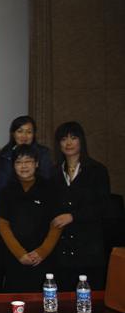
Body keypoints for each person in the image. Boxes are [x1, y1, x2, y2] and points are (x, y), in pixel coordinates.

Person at [0, 144, 67, 292]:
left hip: (43, 258)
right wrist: (20, 253)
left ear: (36, 164)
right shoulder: (6, 191)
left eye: (28, 161)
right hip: (14, 257)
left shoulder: (49, 188)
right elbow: (2, 224)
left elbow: (56, 224)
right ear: (13, 166)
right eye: (18, 162)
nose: (23, 166)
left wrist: (42, 252)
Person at [51, 121, 110, 291]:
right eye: (64, 139)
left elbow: (103, 206)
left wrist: (73, 216)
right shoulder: (53, 173)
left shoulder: (97, 170)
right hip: (61, 249)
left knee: (89, 298)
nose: (68, 143)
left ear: (81, 140)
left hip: (88, 247)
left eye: (73, 138)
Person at [0, 115, 52, 191]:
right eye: (20, 131)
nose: (24, 136)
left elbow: (47, 180)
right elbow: (1, 184)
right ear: (13, 133)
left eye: (29, 132)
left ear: (34, 134)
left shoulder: (43, 153)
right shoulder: (5, 154)